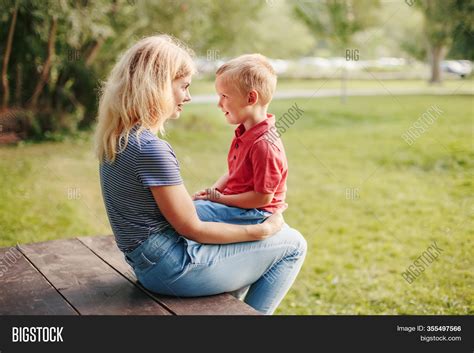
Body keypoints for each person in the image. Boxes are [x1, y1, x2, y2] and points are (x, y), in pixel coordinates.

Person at [94, 35, 307, 315]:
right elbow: (192, 229)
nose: (189, 96)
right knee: (293, 244)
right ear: (157, 87)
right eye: (183, 86)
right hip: (171, 269)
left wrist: (221, 202)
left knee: (219, 220)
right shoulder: (151, 150)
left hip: (146, 262)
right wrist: (260, 231)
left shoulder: (118, 137)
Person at [193, 54, 288, 227]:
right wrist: (214, 192)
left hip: (256, 213)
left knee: (189, 213)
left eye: (224, 96)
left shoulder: (264, 145)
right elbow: (235, 172)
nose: (219, 104)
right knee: (190, 208)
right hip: (239, 206)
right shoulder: (246, 132)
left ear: (251, 98)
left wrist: (222, 199)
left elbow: (262, 197)